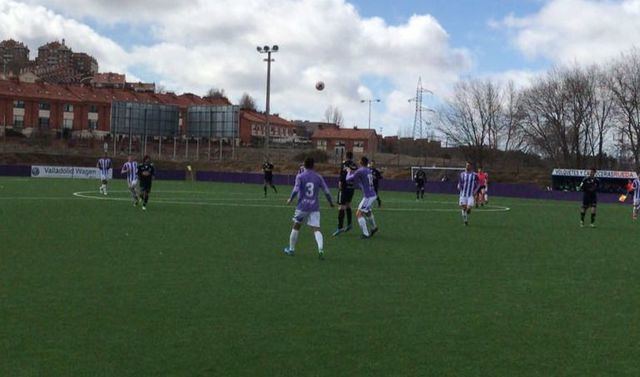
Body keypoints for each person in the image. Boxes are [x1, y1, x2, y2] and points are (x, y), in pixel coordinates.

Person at [283, 157, 334, 259]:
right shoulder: (318, 177)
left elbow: (296, 189)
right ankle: (320, 249)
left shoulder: (300, 176)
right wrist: (331, 203)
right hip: (314, 206)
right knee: (316, 229)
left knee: (296, 225)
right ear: (313, 165)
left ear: (304, 165)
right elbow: (327, 192)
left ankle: (291, 249)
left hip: (302, 206)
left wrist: (290, 199)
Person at [346, 156, 379, 239]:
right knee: (367, 212)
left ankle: (366, 234)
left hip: (368, 196)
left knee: (359, 214)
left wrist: (349, 172)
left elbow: (348, 179)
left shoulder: (360, 171)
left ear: (361, 162)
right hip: (372, 194)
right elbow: (362, 179)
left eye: (359, 160)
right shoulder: (368, 170)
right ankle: (374, 228)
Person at [332, 151, 357, 236]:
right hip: (352, 187)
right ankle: (349, 224)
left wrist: (340, 182)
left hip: (344, 187)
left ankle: (340, 227)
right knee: (348, 205)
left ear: (346, 156)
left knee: (341, 207)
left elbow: (342, 175)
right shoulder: (355, 165)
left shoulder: (344, 164)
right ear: (352, 157)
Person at [458, 162, 478, 226]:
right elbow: (460, 182)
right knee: (463, 208)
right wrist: (459, 186)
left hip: (470, 195)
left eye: (468, 165)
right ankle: (465, 221)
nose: (467, 166)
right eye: (466, 165)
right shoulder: (462, 174)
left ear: (471, 166)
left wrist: (475, 190)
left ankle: (468, 209)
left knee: (469, 207)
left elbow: (479, 183)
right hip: (462, 194)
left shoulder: (474, 175)